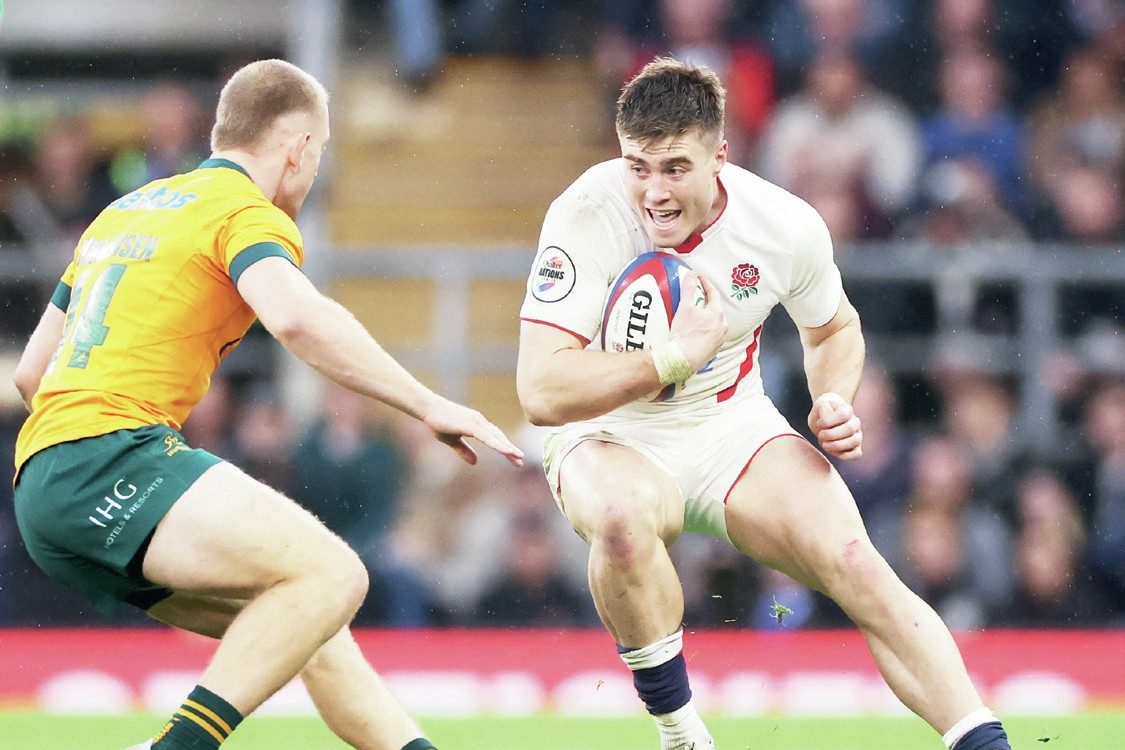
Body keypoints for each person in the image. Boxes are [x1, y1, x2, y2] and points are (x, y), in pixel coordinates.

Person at [11, 59, 523, 750]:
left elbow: (31, 374)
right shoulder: (243, 212)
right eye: (318, 157)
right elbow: (297, 320)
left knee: (307, 622)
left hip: (41, 484)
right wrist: (428, 404)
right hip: (110, 456)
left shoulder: (124, 210)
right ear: (299, 148)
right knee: (333, 572)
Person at [516, 57, 1012, 750]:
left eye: (674, 169)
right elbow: (540, 390)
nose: (653, 193)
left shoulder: (781, 224)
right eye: (638, 166)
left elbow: (834, 326)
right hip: (609, 435)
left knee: (854, 559)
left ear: (720, 155)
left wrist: (832, 395)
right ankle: (681, 731)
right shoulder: (587, 211)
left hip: (728, 426)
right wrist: (669, 358)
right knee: (623, 522)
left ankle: (986, 743)